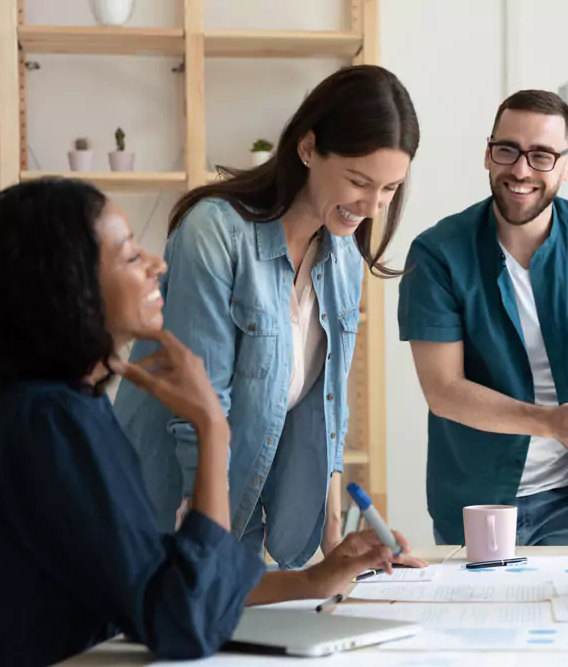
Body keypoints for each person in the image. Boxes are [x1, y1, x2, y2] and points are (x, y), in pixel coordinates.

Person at [0, 179, 417, 667]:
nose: (156, 265)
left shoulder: (61, 409)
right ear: (67, 284)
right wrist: (212, 426)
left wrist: (312, 580)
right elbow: (181, 619)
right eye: (130, 257)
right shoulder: (46, 422)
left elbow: (157, 576)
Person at [114, 65, 421, 568]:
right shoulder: (215, 234)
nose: (371, 207)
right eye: (359, 182)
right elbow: (200, 406)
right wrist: (205, 546)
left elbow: (329, 409)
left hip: (240, 512)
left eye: (389, 189)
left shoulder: (342, 252)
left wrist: (334, 542)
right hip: (168, 511)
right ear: (307, 148)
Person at [398, 90, 568, 547]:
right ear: (488, 154)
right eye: (507, 151)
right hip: (476, 499)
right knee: (479, 619)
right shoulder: (437, 254)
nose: (520, 169)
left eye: (541, 156)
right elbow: (444, 391)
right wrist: (550, 422)